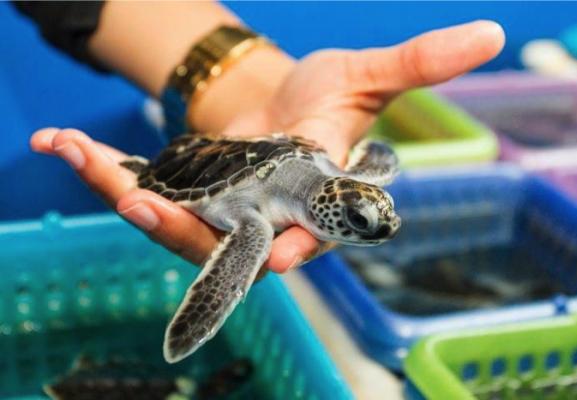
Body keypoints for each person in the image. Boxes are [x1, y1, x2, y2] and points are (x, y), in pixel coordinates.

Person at [18, 2, 505, 273]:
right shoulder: (254, 224)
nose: (382, 228)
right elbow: (377, 157)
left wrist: (252, 84)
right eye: (359, 221)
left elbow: (372, 165)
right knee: (244, 260)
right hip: (187, 170)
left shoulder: (331, 168)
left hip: (234, 139)